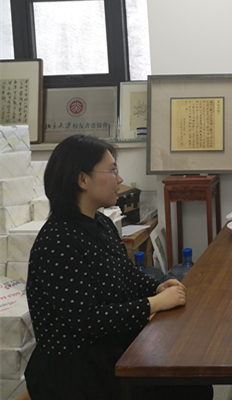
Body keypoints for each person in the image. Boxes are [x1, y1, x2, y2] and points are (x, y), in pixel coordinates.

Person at [25, 135, 213, 400]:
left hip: (113, 350)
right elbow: (86, 320)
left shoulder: (100, 223)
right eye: (112, 170)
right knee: (188, 390)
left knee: (195, 384)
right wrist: (153, 303)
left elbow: (125, 274)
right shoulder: (57, 242)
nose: (120, 178)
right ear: (82, 180)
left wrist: (157, 287)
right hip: (77, 374)